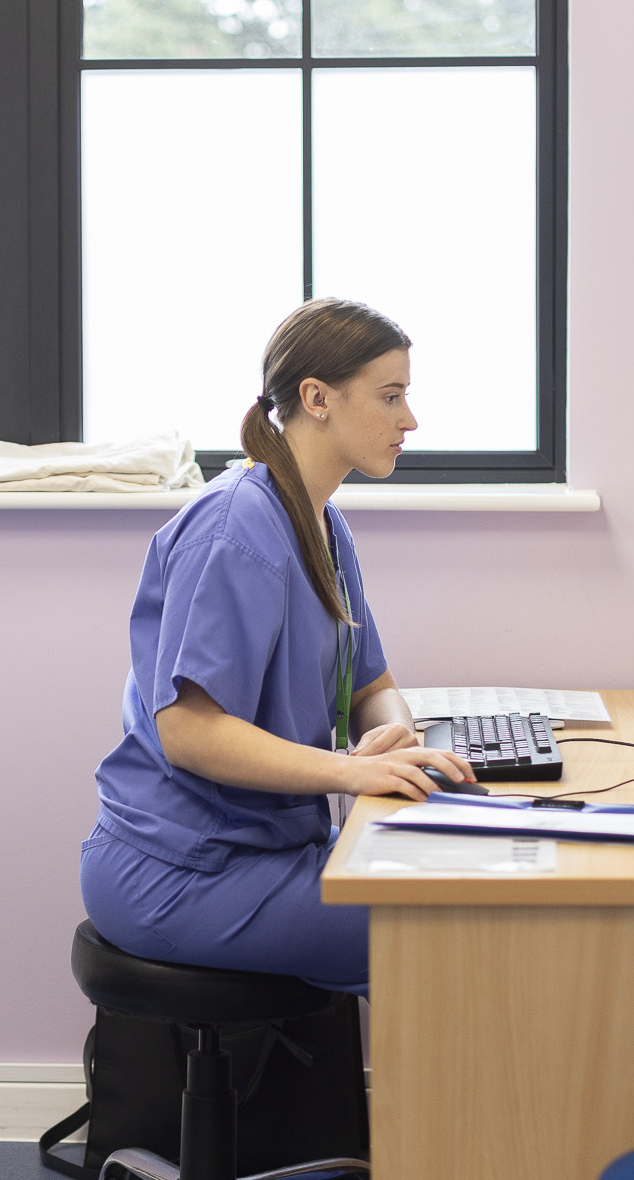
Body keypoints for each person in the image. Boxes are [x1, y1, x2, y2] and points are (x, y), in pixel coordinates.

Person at [80, 299, 472, 994]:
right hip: (181, 871)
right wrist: (349, 773)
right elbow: (189, 733)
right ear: (317, 398)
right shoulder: (235, 528)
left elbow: (372, 685)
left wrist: (396, 738)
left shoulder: (322, 525)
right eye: (391, 397)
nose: (409, 420)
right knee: (447, 940)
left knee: (479, 896)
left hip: (268, 849)